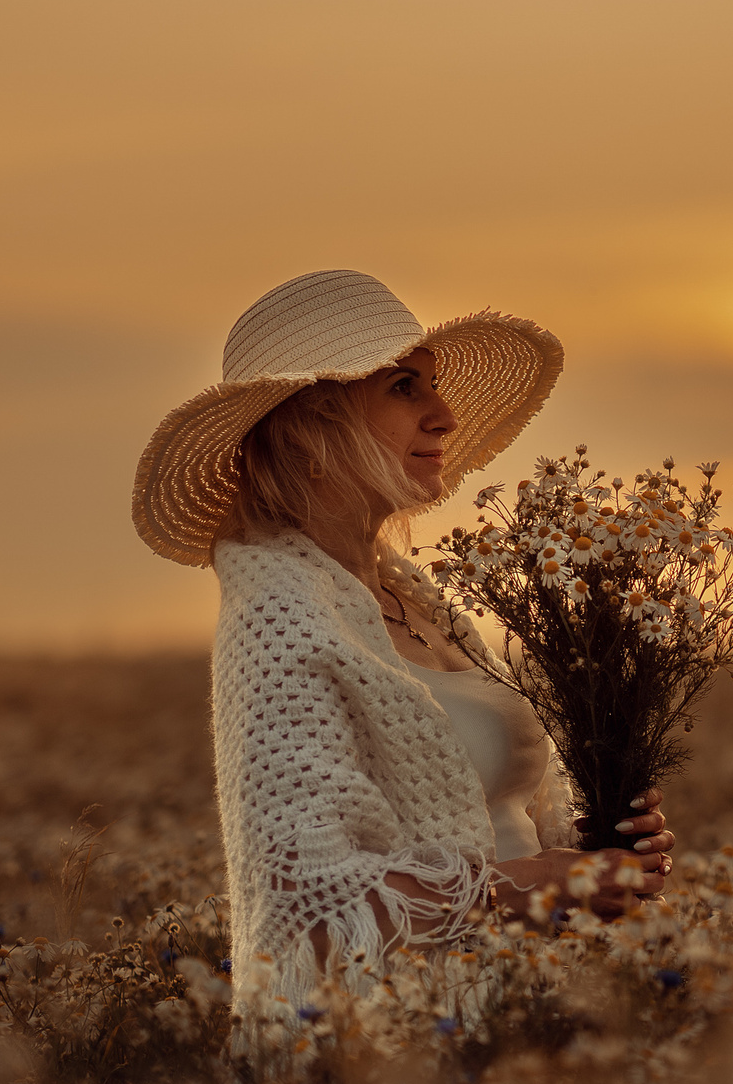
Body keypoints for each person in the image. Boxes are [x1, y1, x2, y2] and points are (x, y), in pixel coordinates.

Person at [130, 268, 671, 1011]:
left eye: (434, 384)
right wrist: (528, 887)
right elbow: (309, 909)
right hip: (390, 1050)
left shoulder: (418, 600)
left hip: (524, 1012)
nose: (445, 415)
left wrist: (601, 851)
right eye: (404, 387)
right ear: (312, 426)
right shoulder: (282, 614)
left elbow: (500, 819)